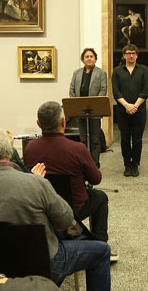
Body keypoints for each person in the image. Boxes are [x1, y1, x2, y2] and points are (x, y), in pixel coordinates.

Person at [0, 126, 125, 291]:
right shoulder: (34, 183)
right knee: (101, 251)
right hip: (45, 264)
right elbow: (65, 219)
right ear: (8, 151)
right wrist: (43, 184)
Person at [24, 102, 111, 246]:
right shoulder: (77, 148)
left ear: (38, 124)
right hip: (74, 210)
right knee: (100, 197)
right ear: (63, 122)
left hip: (43, 208)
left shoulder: (30, 148)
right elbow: (96, 179)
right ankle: (100, 245)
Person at [111, 43, 148, 177]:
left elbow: (145, 91)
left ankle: (136, 164)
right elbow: (116, 92)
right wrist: (127, 106)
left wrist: (135, 106)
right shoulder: (117, 71)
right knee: (125, 139)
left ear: (137, 55)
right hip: (123, 111)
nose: (131, 56)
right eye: (128, 53)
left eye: (133, 53)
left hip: (139, 111)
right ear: (124, 56)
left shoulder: (144, 70)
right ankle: (127, 164)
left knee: (138, 139)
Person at [69, 47, 108, 168]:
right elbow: (71, 89)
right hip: (80, 111)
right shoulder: (76, 73)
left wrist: (96, 103)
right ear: (83, 59)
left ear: (95, 58)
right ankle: (84, 163)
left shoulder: (101, 73)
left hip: (94, 111)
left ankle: (94, 164)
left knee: (95, 140)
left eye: (91, 56)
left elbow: (103, 90)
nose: (89, 58)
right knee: (83, 139)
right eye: (87, 56)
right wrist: (75, 104)